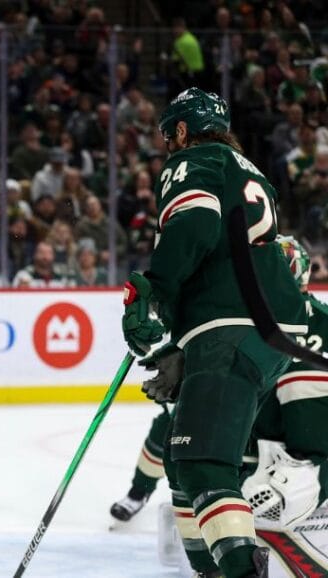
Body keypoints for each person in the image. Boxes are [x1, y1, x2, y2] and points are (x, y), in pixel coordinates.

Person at [123, 87, 307, 578]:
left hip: (233, 325)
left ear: (182, 130)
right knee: (185, 464)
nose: (167, 146)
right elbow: (230, 253)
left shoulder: (193, 161)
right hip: (265, 329)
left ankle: (242, 572)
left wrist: (155, 290)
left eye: (169, 136)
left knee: (205, 466)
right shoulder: (249, 170)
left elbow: (197, 223)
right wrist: (184, 343)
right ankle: (213, 571)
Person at [243, 237, 328, 531]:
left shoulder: (322, 323)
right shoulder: (244, 321)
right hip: (258, 448)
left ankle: (315, 477)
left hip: (302, 456)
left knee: (303, 378)